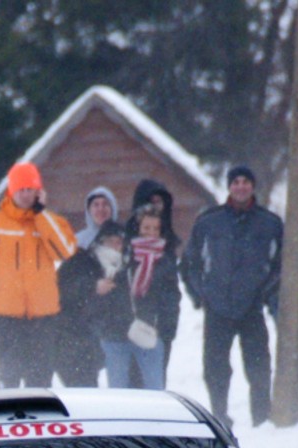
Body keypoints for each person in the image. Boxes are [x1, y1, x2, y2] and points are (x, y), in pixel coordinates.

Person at [182, 165, 282, 427]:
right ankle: (220, 416)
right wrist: (200, 295)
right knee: (215, 368)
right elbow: (190, 262)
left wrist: (264, 292)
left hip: (251, 305)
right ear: (229, 186)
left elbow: (282, 264)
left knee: (258, 366)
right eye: (235, 182)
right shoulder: (209, 221)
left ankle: (262, 418)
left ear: (253, 186)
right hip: (217, 305)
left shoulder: (270, 222)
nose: (240, 186)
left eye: (245, 182)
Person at [0, 162, 77, 388]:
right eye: (21, 189)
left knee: (40, 381)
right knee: (9, 379)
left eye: (30, 189)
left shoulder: (51, 222)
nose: (26, 195)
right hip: (4, 315)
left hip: (43, 315)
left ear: (39, 191)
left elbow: (66, 250)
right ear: (11, 191)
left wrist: (41, 215)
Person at [56, 219, 127, 388]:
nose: (116, 246)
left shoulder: (120, 269)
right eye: (111, 241)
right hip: (70, 338)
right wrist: (91, 286)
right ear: (100, 242)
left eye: (120, 242)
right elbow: (61, 290)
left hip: (97, 341)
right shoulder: (80, 260)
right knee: (80, 390)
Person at [124, 178, 181, 383]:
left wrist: (168, 328)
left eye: (160, 201)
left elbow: (172, 293)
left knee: (154, 382)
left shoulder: (166, 249)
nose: (156, 206)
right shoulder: (126, 248)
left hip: (158, 328)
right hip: (129, 327)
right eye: (152, 201)